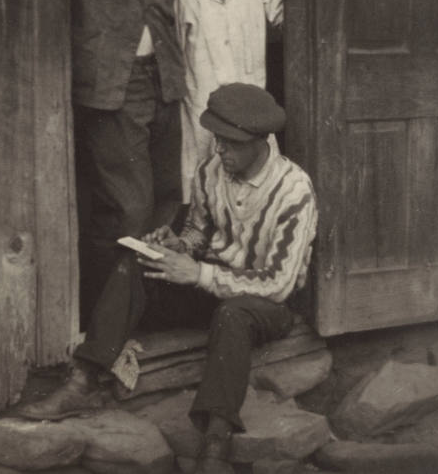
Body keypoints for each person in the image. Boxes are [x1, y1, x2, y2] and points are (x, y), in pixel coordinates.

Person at [19, 83, 317, 474]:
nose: (219, 150)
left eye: (229, 143)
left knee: (233, 315)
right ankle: (85, 380)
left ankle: (216, 437)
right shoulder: (213, 170)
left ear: (259, 142)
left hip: (264, 306)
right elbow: (199, 233)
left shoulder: (294, 189)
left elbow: (279, 283)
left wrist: (199, 272)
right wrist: (177, 245)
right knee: (137, 260)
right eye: (216, 140)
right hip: (212, 284)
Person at [70, 0, 197, 315]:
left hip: (165, 78)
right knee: (126, 209)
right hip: (110, 82)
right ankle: (109, 330)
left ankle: (144, 318)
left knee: (167, 201)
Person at [175, 0, 286, 202]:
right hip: (203, 112)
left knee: (257, 190)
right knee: (209, 190)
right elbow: (175, 54)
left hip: (251, 113)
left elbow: (288, 23)